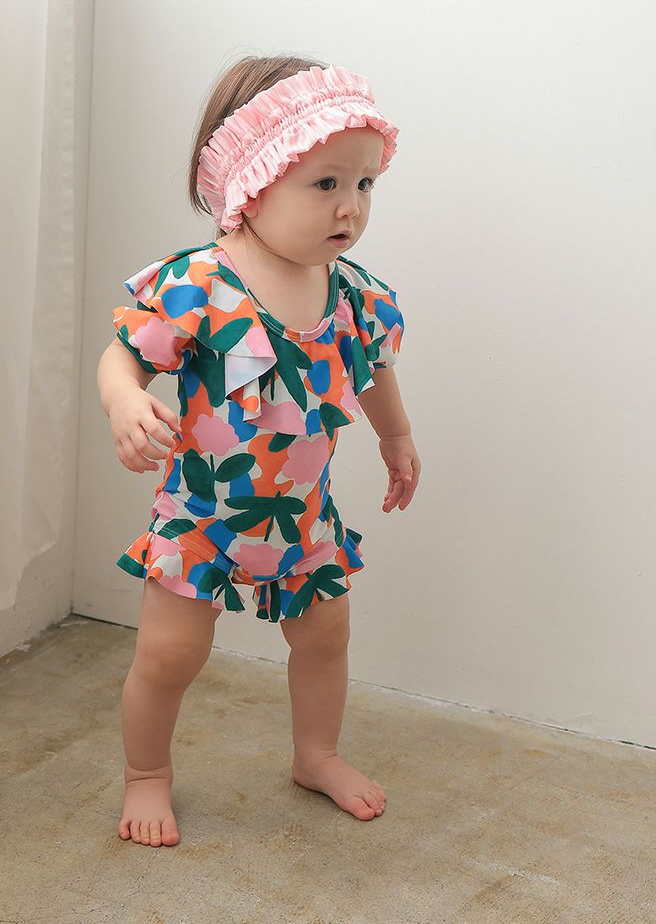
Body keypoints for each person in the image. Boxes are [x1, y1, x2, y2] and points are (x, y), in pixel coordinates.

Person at [96, 55, 421, 847]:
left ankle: (317, 754)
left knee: (326, 638)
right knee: (170, 654)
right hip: (201, 520)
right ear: (250, 184)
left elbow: (373, 371)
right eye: (325, 183)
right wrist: (126, 400)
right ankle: (146, 773)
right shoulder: (201, 285)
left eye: (365, 184)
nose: (350, 206)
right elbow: (124, 356)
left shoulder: (352, 294)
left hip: (303, 519)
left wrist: (397, 436)